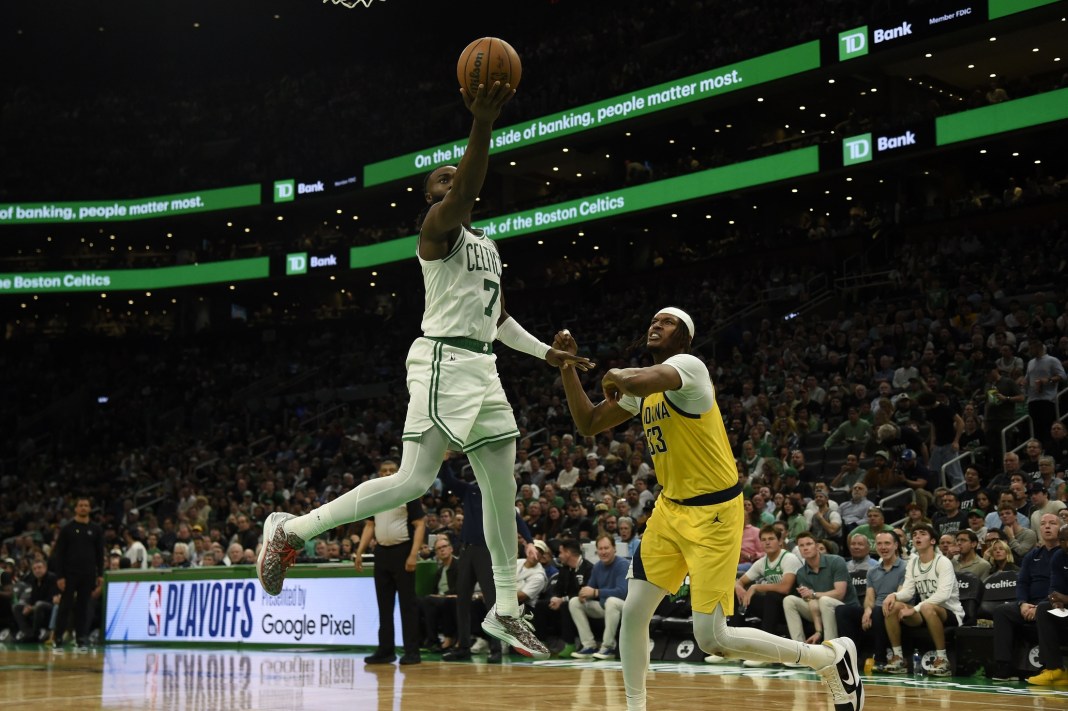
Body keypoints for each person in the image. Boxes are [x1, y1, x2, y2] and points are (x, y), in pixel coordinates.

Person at [255, 79, 590, 660]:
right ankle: (292, 530)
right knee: (413, 480)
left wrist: (547, 355)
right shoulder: (438, 230)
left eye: (451, 178)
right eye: (441, 182)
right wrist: (482, 121)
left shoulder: (488, 247)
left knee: (502, 490)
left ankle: (506, 610)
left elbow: (500, 317)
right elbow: (466, 189)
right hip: (443, 361)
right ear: (433, 199)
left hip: (484, 368)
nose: (450, 183)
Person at [553, 310, 863, 711]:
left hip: (714, 512)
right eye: (652, 320)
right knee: (633, 612)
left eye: (665, 322)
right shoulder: (644, 385)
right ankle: (633, 707)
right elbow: (589, 423)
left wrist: (614, 374)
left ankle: (829, 658)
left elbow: (627, 379)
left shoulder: (689, 368)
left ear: (684, 337)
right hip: (669, 509)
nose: (654, 325)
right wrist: (567, 369)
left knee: (712, 638)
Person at [354, 459, 426, 666]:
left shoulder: (408, 493)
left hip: (403, 551)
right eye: (383, 470)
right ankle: (385, 650)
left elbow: (420, 525)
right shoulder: (374, 496)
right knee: (383, 605)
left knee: (407, 605)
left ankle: (412, 651)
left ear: (398, 473)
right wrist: (359, 552)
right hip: (381, 553)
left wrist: (413, 554)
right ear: (379, 473)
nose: (387, 473)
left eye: (391, 470)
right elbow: (369, 525)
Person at [710, 525, 801, 666]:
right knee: (737, 596)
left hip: (792, 607)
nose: (767, 542)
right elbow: (740, 581)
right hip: (773, 607)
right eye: (763, 540)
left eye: (771, 539)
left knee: (771, 596)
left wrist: (756, 587)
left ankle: (765, 654)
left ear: (780, 541)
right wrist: (738, 587)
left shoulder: (789, 558)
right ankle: (732, 651)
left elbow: (785, 587)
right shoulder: (761, 562)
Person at [881, 523, 964, 677]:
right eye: (914, 534)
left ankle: (943, 660)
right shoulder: (913, 563)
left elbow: (942, 595)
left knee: (927, 607)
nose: (917, 536)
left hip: (949, 612)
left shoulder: (943, 562)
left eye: (922, 533)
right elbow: (908, 591)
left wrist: (915, 608)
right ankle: (899, 658)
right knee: (893, 606)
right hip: (925, 611)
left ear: (932, 541)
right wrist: (894, 595)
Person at [990, 513, 1063, 681]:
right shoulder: (1033, 555)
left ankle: (1049, 666)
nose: (1047, 526)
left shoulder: (1064, 555)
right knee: (1002, 611)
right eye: (1043, 523)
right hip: (1031, 604)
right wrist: (1023, 603)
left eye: (1052, 523)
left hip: (1057, 606)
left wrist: (1040, 606)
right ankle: (1005, 666)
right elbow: (1022, 582)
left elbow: (1061, 587)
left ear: (1062, 529)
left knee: (1044, 609)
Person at [836, 530, 906, 672]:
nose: (883, 547)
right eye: (879, 544)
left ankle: (880, 658)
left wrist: (873, 610)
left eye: (887, 543)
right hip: (876, 608)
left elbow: (901, 594)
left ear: (896, 545)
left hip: (896, 608)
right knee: (842, 610)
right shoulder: (872, 571)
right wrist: (867, 610)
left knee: (879, 610)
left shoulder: (905, 567)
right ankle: (850, 656)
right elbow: (869, 597)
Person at [784, 531, 859, 646]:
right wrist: (818, 631)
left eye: (809, 544)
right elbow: (812, 604)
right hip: (821, 608)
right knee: (789, 600)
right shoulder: (801, 573)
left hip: (846, 608)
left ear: (817, 546)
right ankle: (798, 648)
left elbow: (840, 593)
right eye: (801, 546)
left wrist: (814, 594)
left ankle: (829, 648)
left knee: (824, 600)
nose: (805, 548)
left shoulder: (836, 561)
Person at [50, 497, 104, 653]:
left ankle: (81, 638)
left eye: (86, 505)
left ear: (90, 508)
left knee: (83, 606)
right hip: (69, 574)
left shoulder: (96, 529)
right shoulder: (67, 529)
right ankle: (58, 638)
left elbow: (100, 553)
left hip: (87, 574)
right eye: (80, 505)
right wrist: (60, 576)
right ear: (76, 509)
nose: (83, 508)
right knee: (65, 606)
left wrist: (100, 574)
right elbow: (59, 554)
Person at [568, 535, 629, 660]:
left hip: (625, 608)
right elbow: (590, 589)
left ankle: (608, 647)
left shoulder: (623, 565)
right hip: (605, 607)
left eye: (606, 548)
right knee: (574, 602)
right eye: (600, 549)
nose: (603, 552)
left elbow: (622, 592)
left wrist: (596, 593)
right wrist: (583, 595)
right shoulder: (597, 567)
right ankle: (589, 645)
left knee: (611, 601)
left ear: (614, 549)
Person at [1025, 523, 1068, 685]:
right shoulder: (1059, 557)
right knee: (1044, 609)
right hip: (1066, 609)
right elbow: (1054, 589)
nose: (1067, 544)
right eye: (1063, 540)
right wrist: (1056, 601)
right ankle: (1055, 669)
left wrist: (1065, 599)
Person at [417, 532, 459, 653]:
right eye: (438, 549)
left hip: (451, 598)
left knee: (429, 600)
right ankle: (420, 640)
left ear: (451, 549)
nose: (442, 550)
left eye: (444, 547)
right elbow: (434, 590)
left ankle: (433, 639)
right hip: (438, 599)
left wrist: (441, 595)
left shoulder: (458, 565)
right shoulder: (440, 570)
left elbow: (460, 588)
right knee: (417, 602)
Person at [1024, 340, 1065, 442]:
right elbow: (1027, 378)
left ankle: (1048, 451)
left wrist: (1048, 380)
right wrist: (1022, 382)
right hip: (1033, 400)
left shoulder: (1052, 360)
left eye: (1031, 348)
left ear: (1039, 348)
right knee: (1035, 430)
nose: (1030, 351)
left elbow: (1063, 376)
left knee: (1046, 429)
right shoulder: (1031, 362)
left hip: (1047, 399)